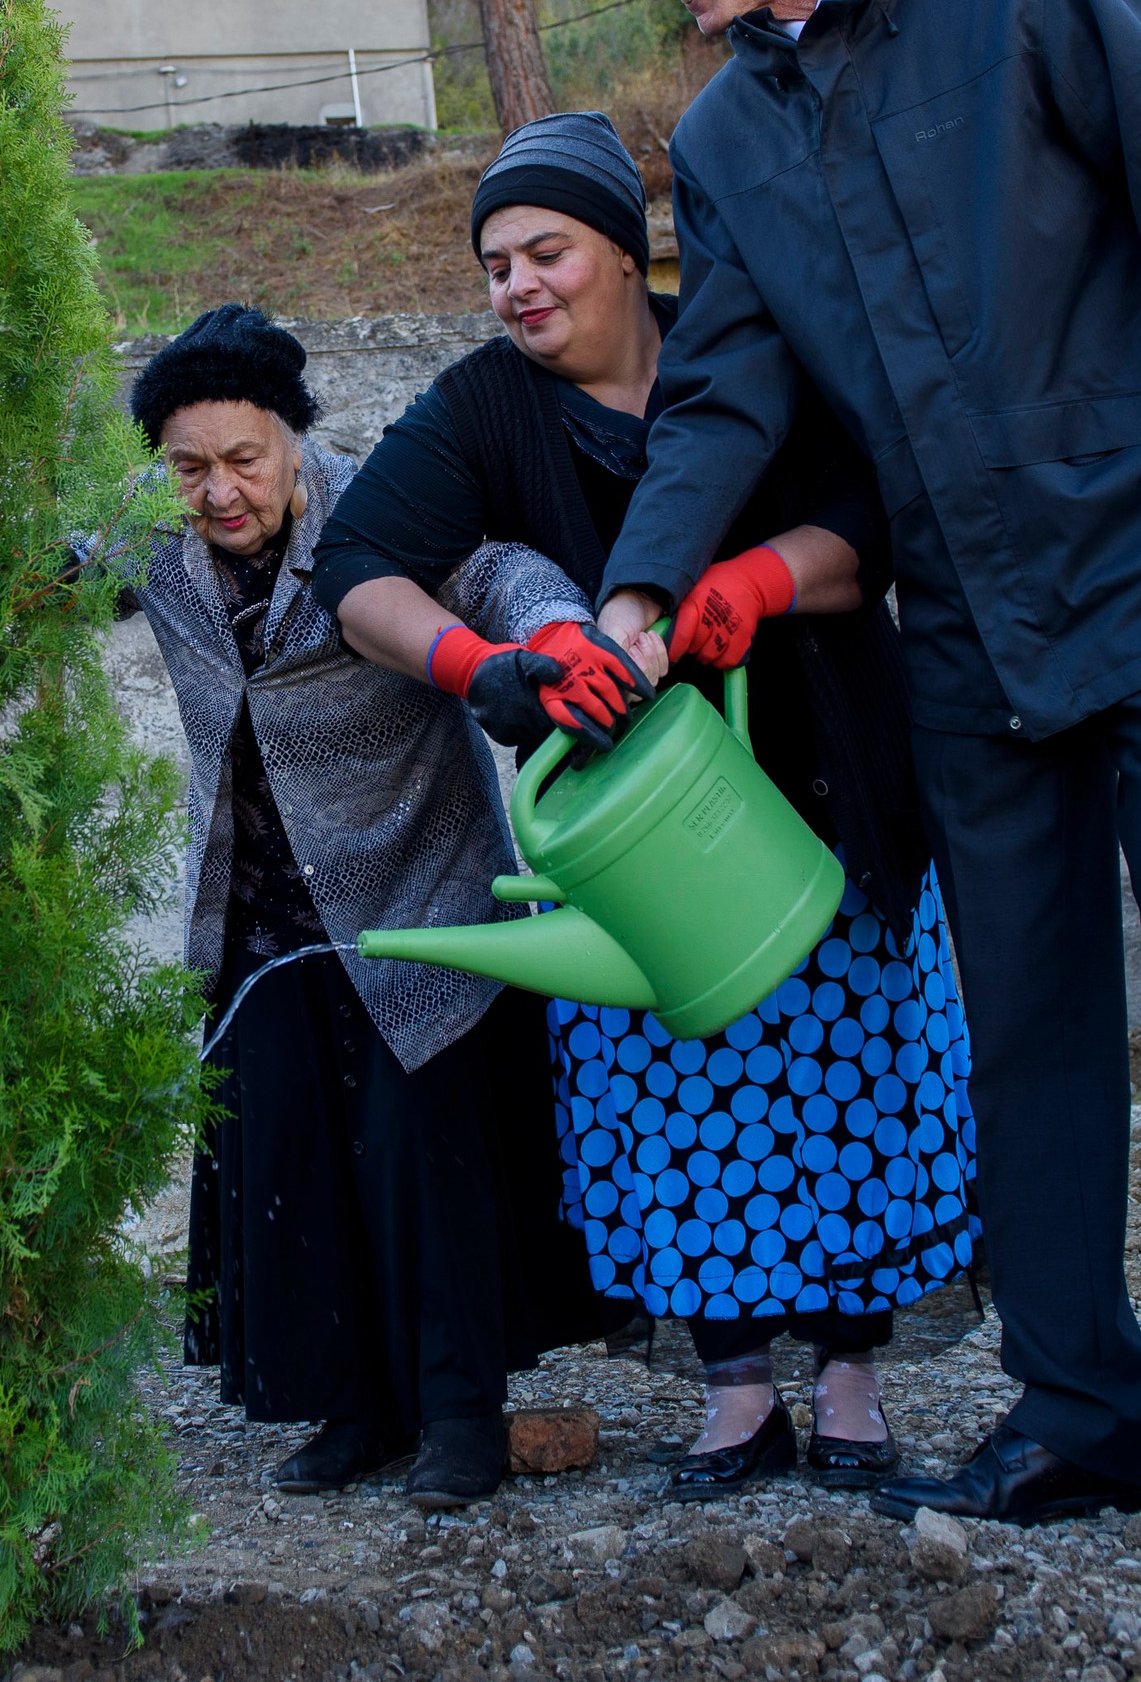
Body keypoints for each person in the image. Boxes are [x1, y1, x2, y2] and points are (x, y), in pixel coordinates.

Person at [581, 0, 1141, 1562]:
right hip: (961, 630)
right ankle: (1077, 1416)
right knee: (1023, 1040)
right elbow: (721, 393)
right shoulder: (726, 138)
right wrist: (635, 594)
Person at [311, 112, 978, 1500]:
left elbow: (877, 522)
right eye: (494, 264)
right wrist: (481, 665)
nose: (517, 285)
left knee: (849, 1084)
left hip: (827, 786)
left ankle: (848, 1374)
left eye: (544, 251)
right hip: (635, 842)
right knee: (676, 1100)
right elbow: (357, 565)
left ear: (626, 249)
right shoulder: (483, 406)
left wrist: (757, 583)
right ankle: (738, 1391)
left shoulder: (749, 345)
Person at [107, 305, 605, 1507]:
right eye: (189, 466)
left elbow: (495, 570)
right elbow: (61, 570)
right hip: (261, 910)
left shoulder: (375, 505)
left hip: (412, 883)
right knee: (301, 1162)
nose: (219, 491)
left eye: (244, 458)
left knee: (425, 1160)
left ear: (293, 438)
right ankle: (353, 1409)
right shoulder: (157, 542)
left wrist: (554, 635)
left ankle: (460, 1416)